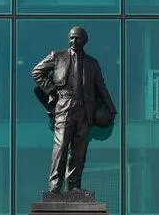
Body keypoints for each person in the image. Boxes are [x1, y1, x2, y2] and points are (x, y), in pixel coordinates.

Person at [31, 26, 116, 193]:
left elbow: (101, 88)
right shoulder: (57, 56)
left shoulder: (92, 63)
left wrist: (111, 108)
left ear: (84, 40)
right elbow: (37, 72)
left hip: (84, 109)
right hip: (64, 105)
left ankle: (73, 186)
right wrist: (51, 90)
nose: (73, 41)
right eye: (71, 38)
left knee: (78, 150)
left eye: (77, 38)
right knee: (61, 146)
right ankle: (55, 186)